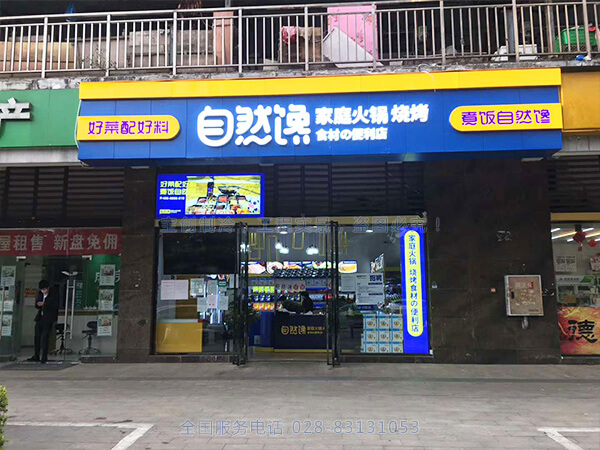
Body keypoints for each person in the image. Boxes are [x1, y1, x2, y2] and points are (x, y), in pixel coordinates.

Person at [27, 280, 59, 364]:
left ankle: (44, 356)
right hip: (40, 317)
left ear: (48, 288)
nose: (43, 291)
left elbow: (55, 305)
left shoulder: (53, 294)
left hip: (48, 318)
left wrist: (44, 303)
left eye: (44, 289)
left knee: (44, 337)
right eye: (41, 289)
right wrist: (38, 304)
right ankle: (36, 355)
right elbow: (37, 304)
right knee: (37, 336)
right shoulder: (40, 294)